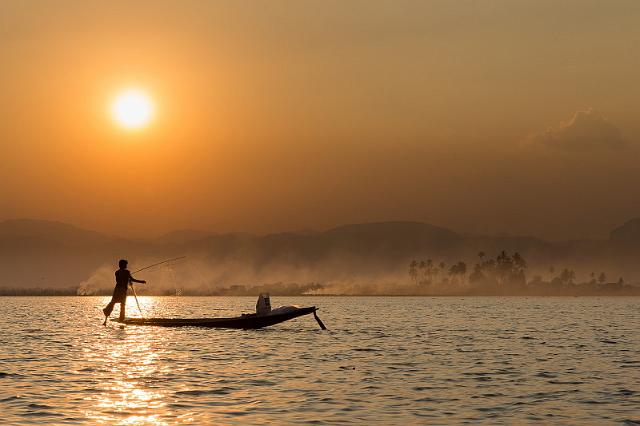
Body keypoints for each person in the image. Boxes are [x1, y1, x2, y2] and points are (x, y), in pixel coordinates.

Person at [102, 259, 146, 325]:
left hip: (117, 289)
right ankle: (121, 318)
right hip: (122, 290)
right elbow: (132, 279)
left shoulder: (117, 272)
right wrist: (141, 281)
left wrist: (126, 279)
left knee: (113, 302)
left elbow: (117, 281)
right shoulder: (127, 272)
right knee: (122, 304)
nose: (126, 266)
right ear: (123, 265)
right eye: (125, 264)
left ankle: (106, 316)